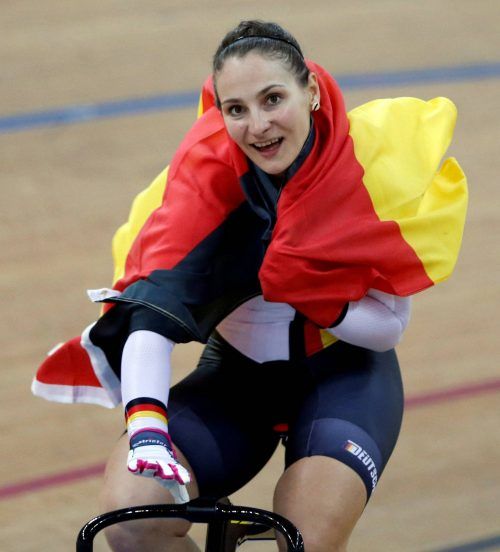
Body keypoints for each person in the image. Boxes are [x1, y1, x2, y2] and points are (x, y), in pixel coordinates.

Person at [33, 20, 467, 551]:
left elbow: (389, 328)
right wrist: (146, 425)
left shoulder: (364, 167)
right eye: (236, 109)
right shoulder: (204, 184)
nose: (258, 126)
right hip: (236, 380)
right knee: (130, 519)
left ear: (310, 90)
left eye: (272, 99)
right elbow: (153, 317)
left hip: (343, 374)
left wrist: (314, 295)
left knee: (307, 539)